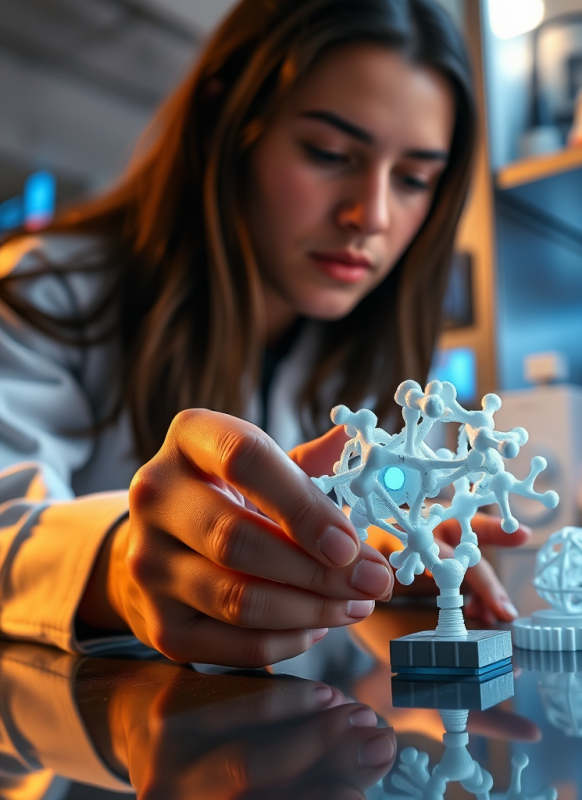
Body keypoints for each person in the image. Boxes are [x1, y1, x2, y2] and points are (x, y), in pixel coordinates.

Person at [0, 0, 528, 668]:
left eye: (415, 178)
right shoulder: (50, 291)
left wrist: (387, 544)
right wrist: (118, 562)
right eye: (328, 152)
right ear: (230, 120)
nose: (370, 214)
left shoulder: (365, 367)